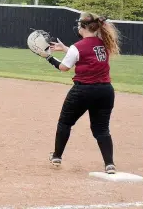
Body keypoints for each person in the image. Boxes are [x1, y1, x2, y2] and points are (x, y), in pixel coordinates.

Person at [44, 11, 120, 174]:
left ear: (83, 27)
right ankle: (109, 164)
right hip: (105, 91)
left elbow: (64, 68)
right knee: (101, 129)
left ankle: (57, 156)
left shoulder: (77, 47)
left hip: (83, 90)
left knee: (65, 122)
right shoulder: (104, 42)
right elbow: (88, 55)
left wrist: (48, 57)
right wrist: (66, 49)